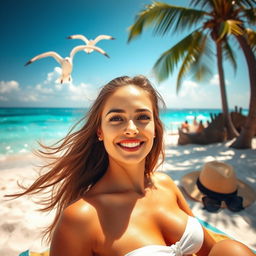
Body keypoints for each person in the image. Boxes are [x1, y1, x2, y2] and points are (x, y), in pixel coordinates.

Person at [10, 75, 254, 256]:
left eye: (142, 117)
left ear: (155, 129)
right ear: (99, 132)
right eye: (116, 118)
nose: (131, 128)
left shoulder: (166, 185)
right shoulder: (83, 217)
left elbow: (208, 250)